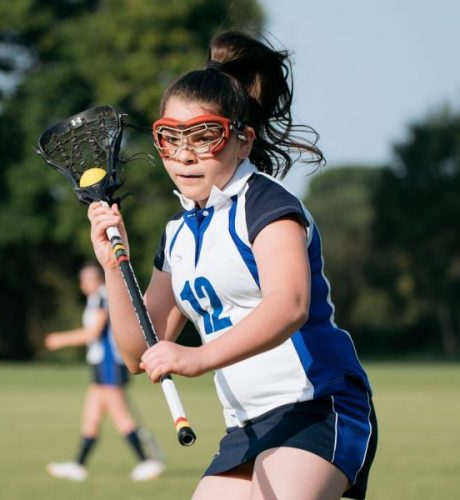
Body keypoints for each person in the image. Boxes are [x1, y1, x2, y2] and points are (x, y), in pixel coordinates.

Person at [87, 31, 377, 499]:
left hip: (317, 405)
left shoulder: (267, 206)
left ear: (242, 141)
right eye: (169, 138)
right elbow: (139, 353)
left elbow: (290, 306)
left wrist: (199, 357)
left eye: (205, 136)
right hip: (247, 424)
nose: (184, 155)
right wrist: (113, 266)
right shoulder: (177, 234)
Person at [44, 262, 164, 482]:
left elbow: (93, 333)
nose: (82, 285)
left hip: (110, 365)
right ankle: (78, 465)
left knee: (121, 416)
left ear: (93, 279)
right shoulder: (95, 299)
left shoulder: (101, 298)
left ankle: (146, 462)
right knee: (91, 417)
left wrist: (60, 340)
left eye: (84, 280)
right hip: (100, 365)